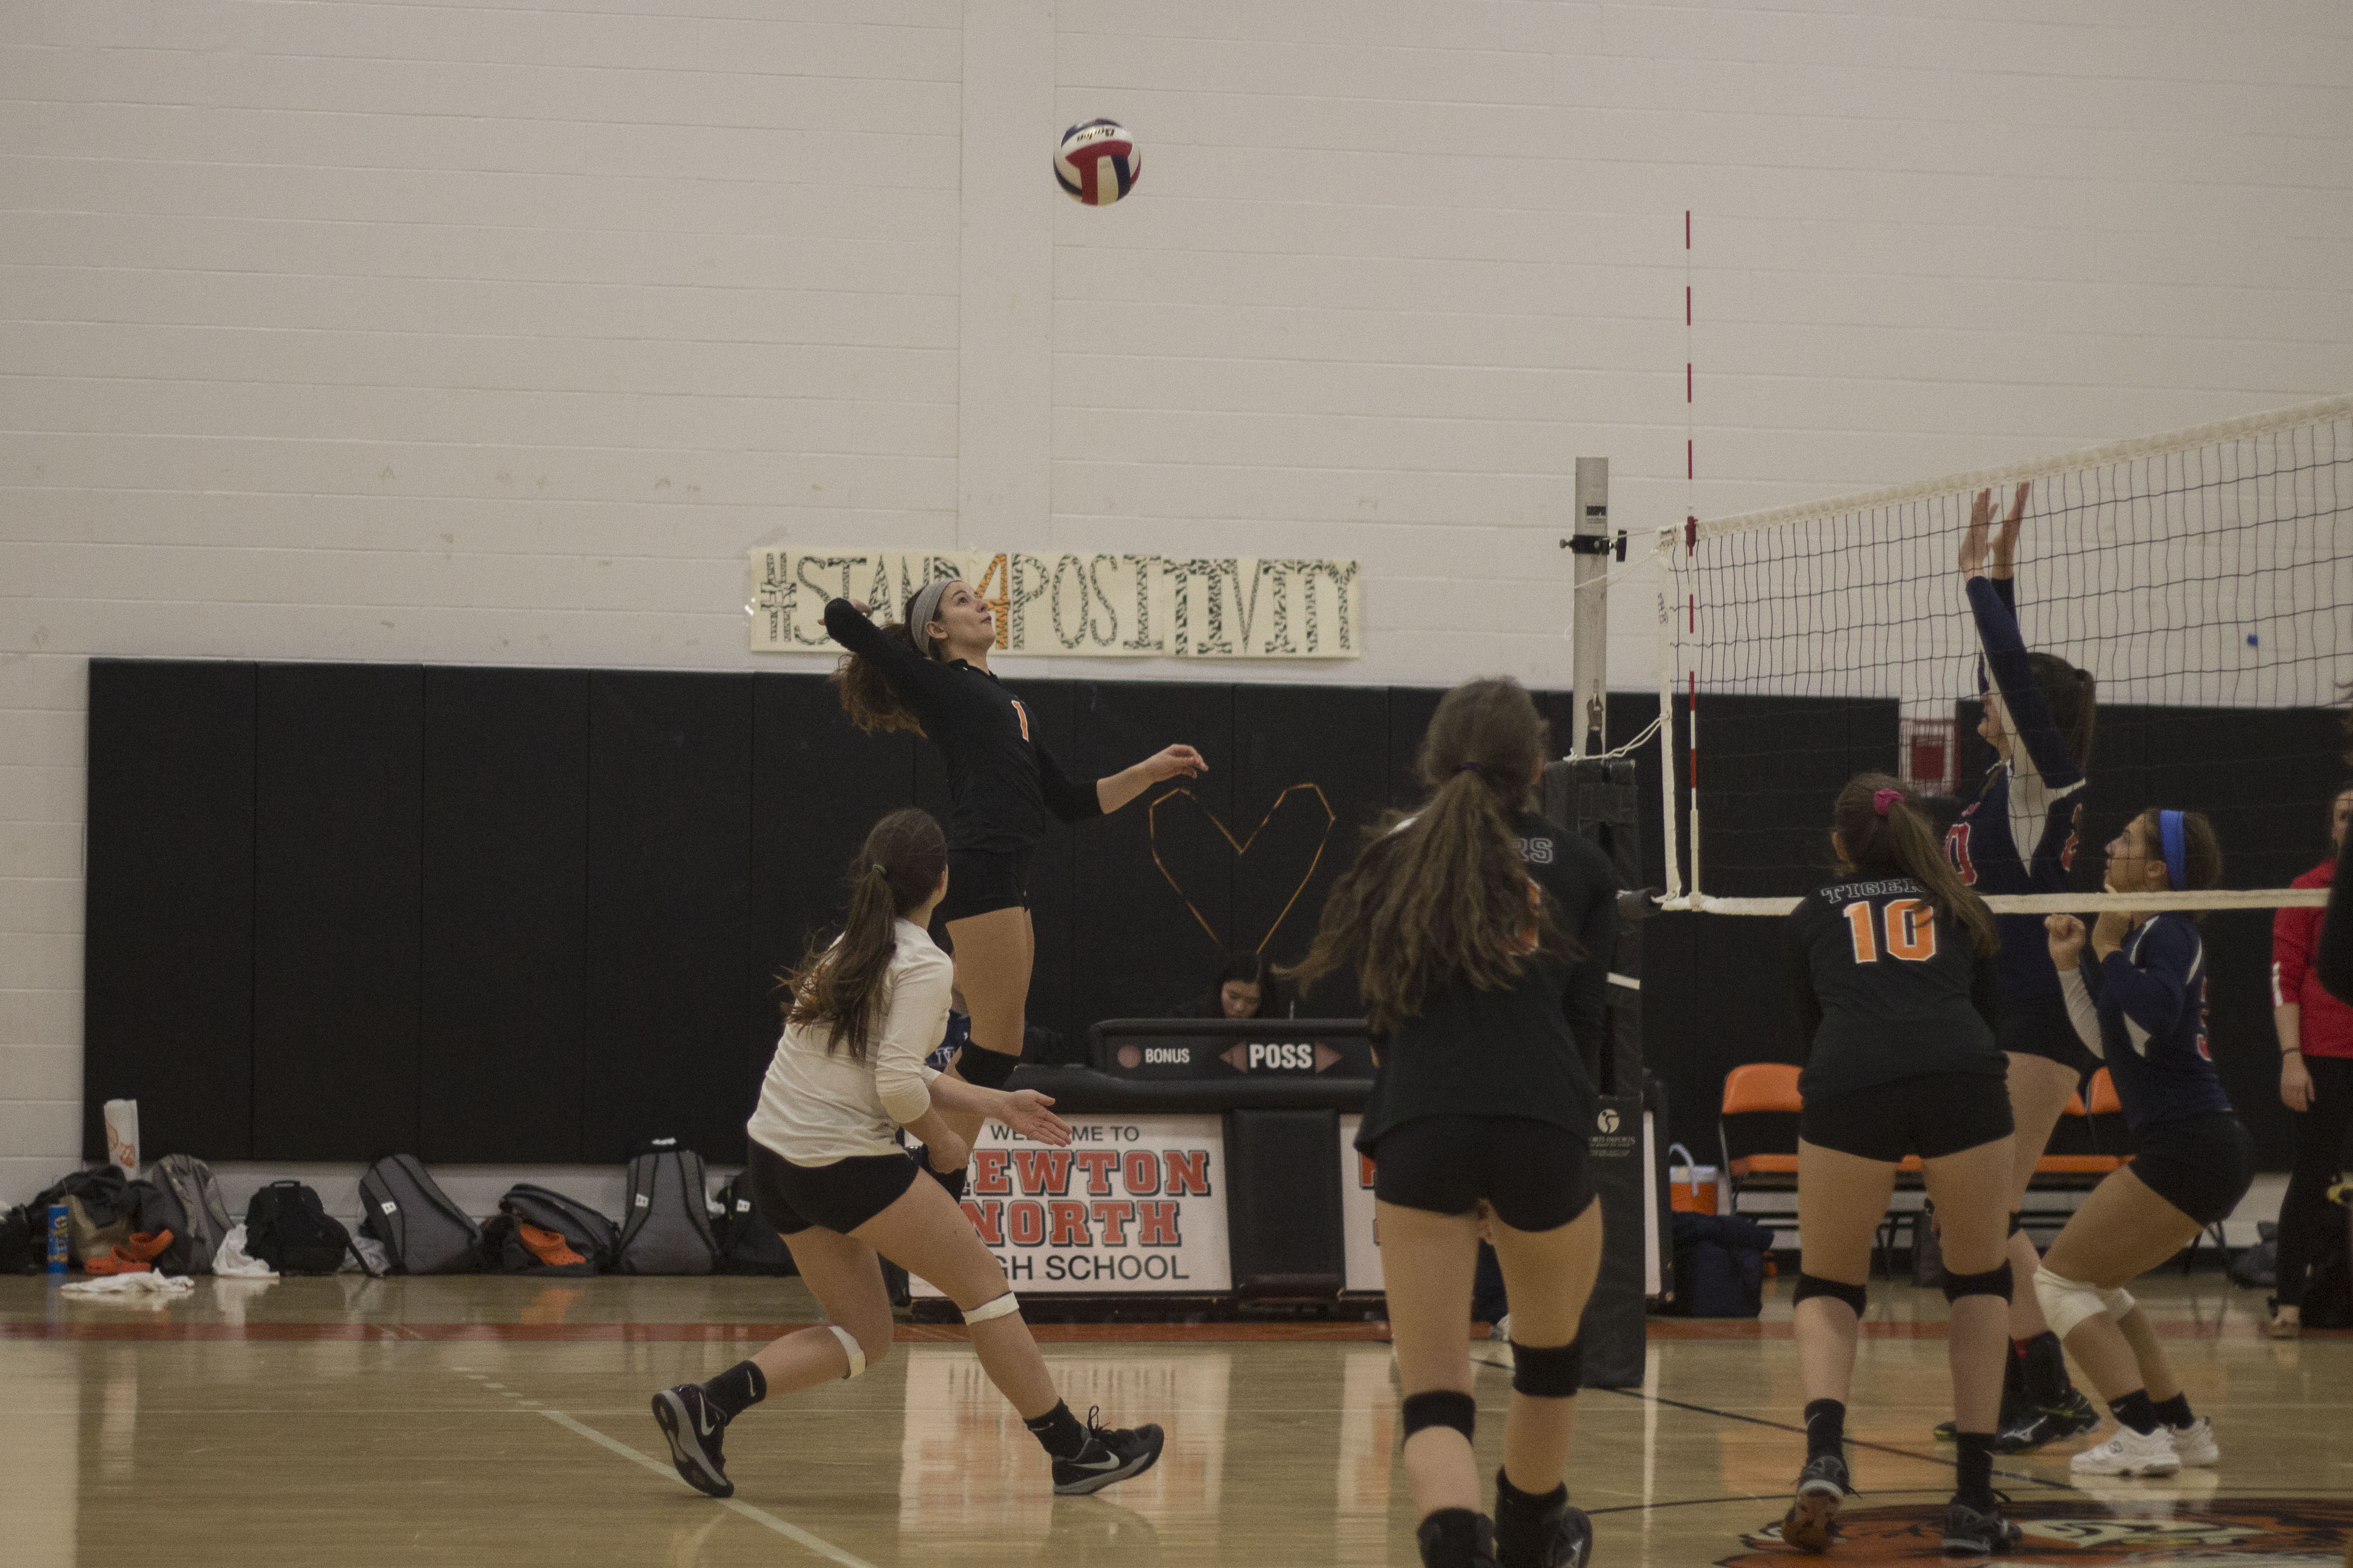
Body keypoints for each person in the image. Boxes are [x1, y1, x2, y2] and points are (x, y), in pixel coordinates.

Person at [650, 809, 1165, 1500]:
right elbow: (895, 1084)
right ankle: (1074, 1452)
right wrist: (944, 1141)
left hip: (774, 1156)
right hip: (838, 1161)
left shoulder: (852, 945)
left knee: (866, 1334)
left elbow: (887, 1066)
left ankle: (708, 1404)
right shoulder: (924, 962)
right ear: (943, 882)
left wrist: (989, 1104)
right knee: (985, 1291)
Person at [1284, 678, 1604, 1568]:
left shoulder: (1391, 854)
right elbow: (1586, 1036)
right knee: (1547, 1359)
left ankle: (1459, 1542)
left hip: (1421, 1119)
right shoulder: (1579, 863)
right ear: (1537, 766)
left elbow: (1382, 1021)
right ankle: (1535, 1532)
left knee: (1433, 1395)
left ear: (1431, 760)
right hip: (1545, 1120)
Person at [825, 581, 1206, 1160]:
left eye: (979, 597)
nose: (980, 603)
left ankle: (920, 1119)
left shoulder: (1010, 703)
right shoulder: (940, 685)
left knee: (988, 1033)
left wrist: (1148, 771)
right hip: (982, 866)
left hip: (1010, 874)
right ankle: (940, 1168)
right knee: (998, 1046)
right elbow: (843, 624)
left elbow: (1073, 801)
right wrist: (852, 609)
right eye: (960, 600)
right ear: (936, 630)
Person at [1777, 774, 2020, 1557]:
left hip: (1851, 1075)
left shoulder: (1812, 913)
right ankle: (1974, 1499)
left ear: (1841, 843)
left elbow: (1811, 1023)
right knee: (1980, 1281)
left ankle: (1824, 1450)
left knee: (1828, 1283)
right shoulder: (1961, 906)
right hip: (1961, 1075)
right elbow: (1988, 1020)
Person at [1941, 483, 2103, 1448]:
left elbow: (2008, 660)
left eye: (1997, 688)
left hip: (2041, 1018)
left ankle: (2045, 1389)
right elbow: (2009, 659)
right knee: (1980, 1212)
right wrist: (2001, 574)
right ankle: (2038, 1387)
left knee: (1982, 1212)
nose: (1982, 694)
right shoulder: (2010, 783)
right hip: (1999, 1014)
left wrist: (1976, 581)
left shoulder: (2047, 783)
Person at [2041, 808, 2248, 1476]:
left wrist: (2104, 949)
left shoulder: (2165, 929)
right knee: (2103, 1287)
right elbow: (2113, 1044)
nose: (2109, 844)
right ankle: (2182, 1430)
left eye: (2125, 840)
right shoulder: (2149, 939)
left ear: (2157, 870)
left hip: (2191, 1144)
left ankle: (2138, 1435)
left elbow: (2153, 1016)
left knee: (2055, 1284)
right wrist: (2073, 966)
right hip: (2200, 1146)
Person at [2271, 783, 2353, 1339]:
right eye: (2346, 815)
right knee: (2309, 1178)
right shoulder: (2307, 890)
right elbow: (2284, 979)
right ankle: (2290, 1306)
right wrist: (2291, 1058)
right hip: (2322, 1055)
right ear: (2332, 826)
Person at [1175, 951, 1287, 1019]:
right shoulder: (1186, 1019)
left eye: (1252, 1002)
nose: (1239, 1008)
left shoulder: (1276, 1031)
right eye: (1233, 997)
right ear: (1219, 989)